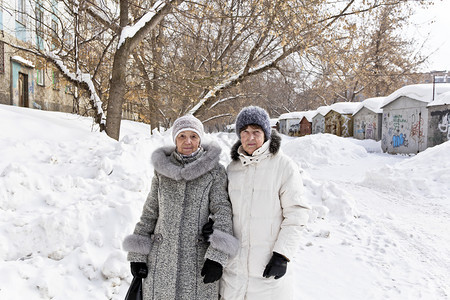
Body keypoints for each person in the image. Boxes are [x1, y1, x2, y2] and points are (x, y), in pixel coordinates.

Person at [123, 115, 239, 300]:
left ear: (200, 139)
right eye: (182, 136)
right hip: (161, 261)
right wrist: (137, 254)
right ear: (175, 139)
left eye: (193, 136)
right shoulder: (162, 171)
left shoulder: (214, 172)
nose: (188, 142)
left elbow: (222, 212)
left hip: (197, 262)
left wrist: (217, 257)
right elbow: (150, 213)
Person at [219, 106, 310, 300]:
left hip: (267, 270)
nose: (250, 138)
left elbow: (297, 213)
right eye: (245, 132)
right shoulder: (232, 169)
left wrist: (283, 255)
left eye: (256, 132)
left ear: (266, 134)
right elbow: (222, 210)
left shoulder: (283, 166)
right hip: (234, 271)